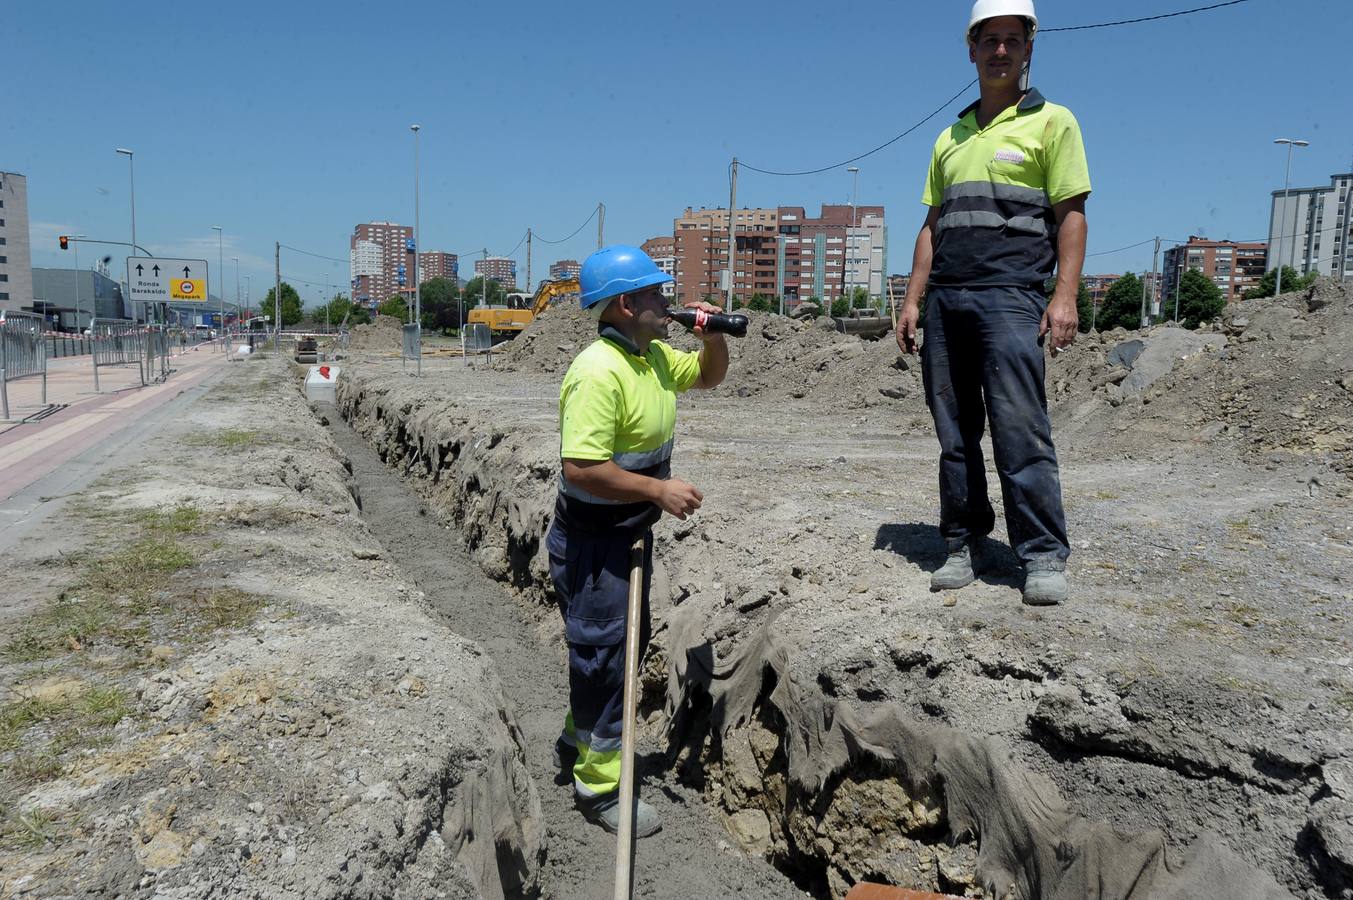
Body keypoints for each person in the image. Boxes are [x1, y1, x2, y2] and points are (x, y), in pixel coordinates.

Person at [896, 0, 1090, 605]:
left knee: (1018, 429)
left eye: (1012, 39)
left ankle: (1041, 555)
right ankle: (961, 541)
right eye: (989, 40)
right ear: (971, 49)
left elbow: (1071, 215)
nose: (1000, 50)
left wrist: (1064, 296)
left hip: (1011, 297)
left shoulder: (1053, 122)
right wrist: (911, 299)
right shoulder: (949, 136)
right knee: (955, 435)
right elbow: (932, 224)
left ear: (1029, 47)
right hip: (947, 301)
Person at [546, 244, 728, 836]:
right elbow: (580, 468)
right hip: (593, 541)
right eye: (655, 293)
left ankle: (580, 736)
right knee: (604, 656)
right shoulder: (599, 372)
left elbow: (707, 376)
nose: (665, 301)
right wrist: (656, 492)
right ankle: (599, 787)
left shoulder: (649, 357)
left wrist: (713, 333)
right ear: (625, 304)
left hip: (626, 535)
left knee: (619, 646)